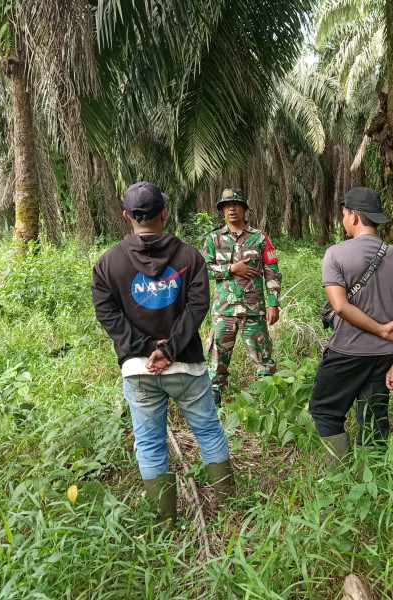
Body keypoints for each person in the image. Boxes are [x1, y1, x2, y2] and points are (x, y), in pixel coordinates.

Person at [91, 181, 234, 524]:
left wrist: (145, 348)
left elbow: (107, 315)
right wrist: (169, 349)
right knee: (209, 432)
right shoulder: (190, 256)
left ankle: (165, 521)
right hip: (186, 367)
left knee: (150, 443)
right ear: (164, 213)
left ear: (127, 216)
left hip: (138, 370)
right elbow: (198, 307)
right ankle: (232, 508)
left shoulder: (107, 263)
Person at [309, 187, 393, 469]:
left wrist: (381, 329)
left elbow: (341, 306)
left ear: (354, 216)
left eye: (344, 214)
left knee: (325, 410)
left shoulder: (335, 254)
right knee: (373, 416)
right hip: (384, 356)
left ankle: (337, 475)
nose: (343, 219)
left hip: (346, 351)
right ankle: (372, 481)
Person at [202, 188, 282, 406]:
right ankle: (214, 399)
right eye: (226, 206)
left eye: (236, 204)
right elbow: (203, 270)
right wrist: (231, 268)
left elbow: (272, 270)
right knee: (217, 360)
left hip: (253, 310)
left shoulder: (260, 238)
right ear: (222, 211)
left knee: (263, 359)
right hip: (224, 311)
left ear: (245, 209)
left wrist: (273, 304)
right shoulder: (214, 239)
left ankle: (269, 402)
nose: (231, 209)